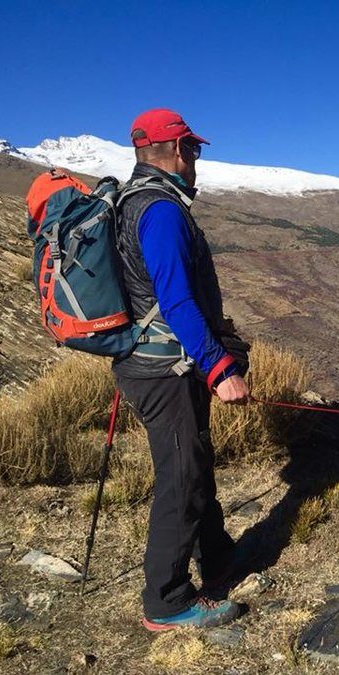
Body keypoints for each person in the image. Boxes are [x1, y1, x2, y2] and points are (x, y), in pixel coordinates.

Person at [113, 108, 249, 630]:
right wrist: (219, 368)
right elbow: (176, 301)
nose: (195, 161)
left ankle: (216, 554)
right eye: (192, 151)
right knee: (181, 474)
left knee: (194, 457)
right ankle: (166, 601)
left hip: (156, 362)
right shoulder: (162, 210)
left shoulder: (132, 202)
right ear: (175, 152)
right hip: (164, 369)